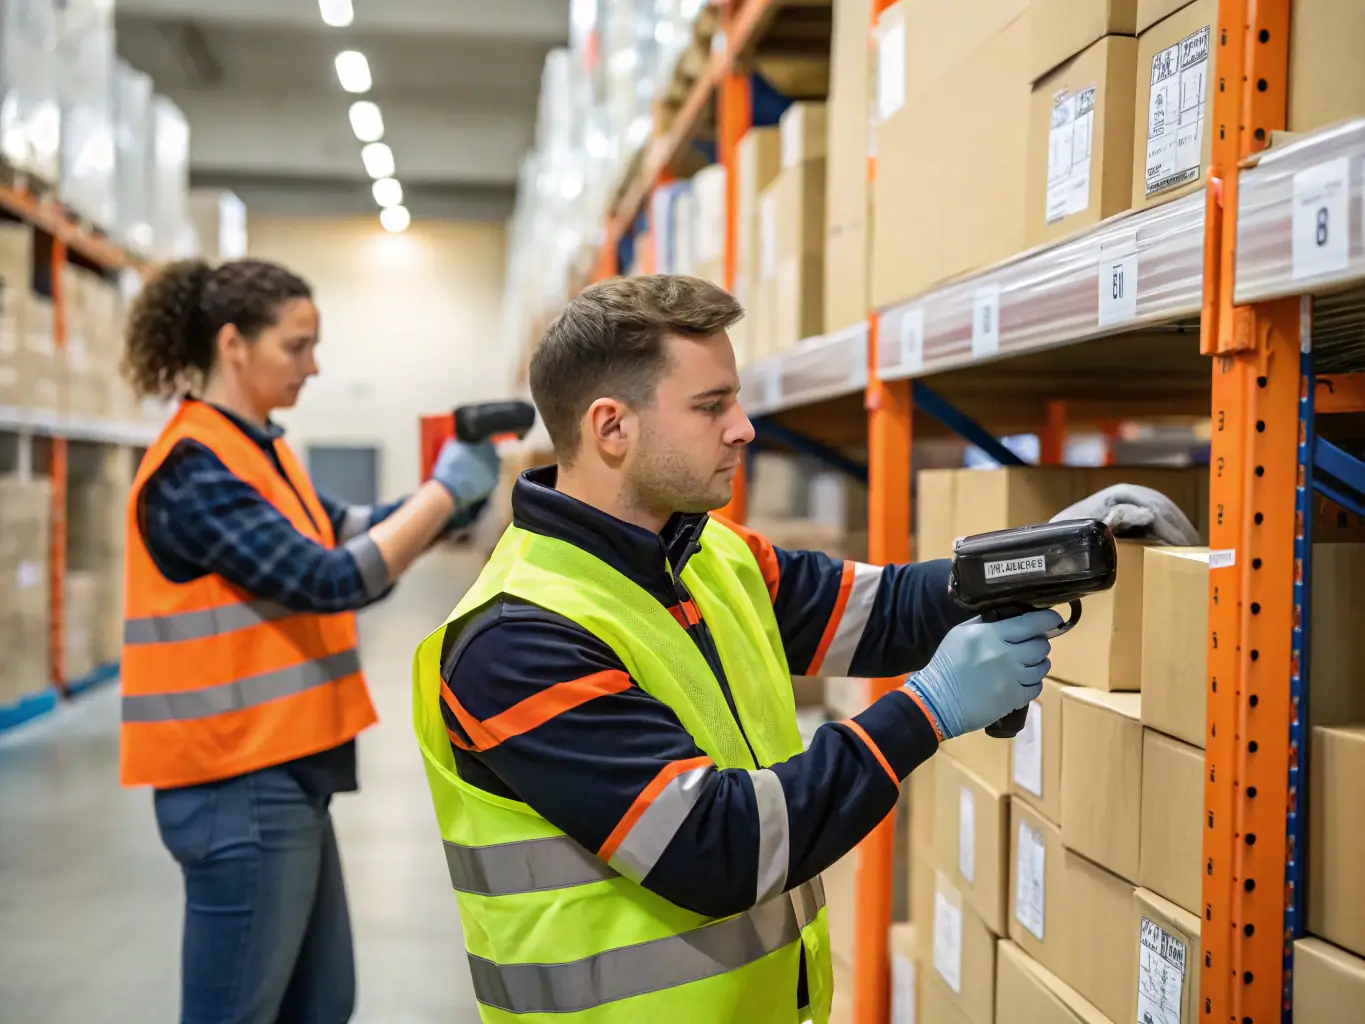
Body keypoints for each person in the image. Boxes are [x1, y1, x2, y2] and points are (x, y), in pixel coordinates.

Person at [410, 275, 1060, 1023]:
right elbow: (719, 848)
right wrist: (927, 710)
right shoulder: (518, 640)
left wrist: (1047, 554)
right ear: (611, 428)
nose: (744, 427)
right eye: (710, 406)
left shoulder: (700, 554)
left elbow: (881, 613)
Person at [117, 257, 500, 1024]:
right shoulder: (194, 471)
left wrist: (452, 500)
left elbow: (353, 532)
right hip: (234, 777)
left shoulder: (259, 450)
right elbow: (329, 577)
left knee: (322, 1006)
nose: (313, 366)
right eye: (296, 347)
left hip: (284, 772)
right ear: (233, 344)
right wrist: (443, 492)